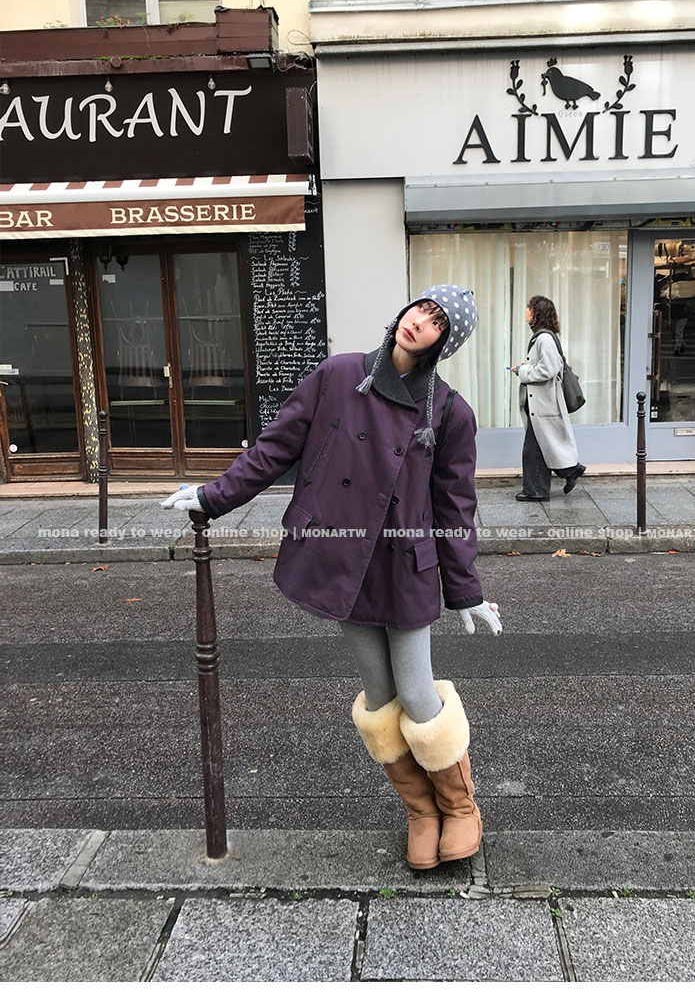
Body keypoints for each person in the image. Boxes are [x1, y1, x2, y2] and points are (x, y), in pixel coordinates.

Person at [162, 285, 502, 871]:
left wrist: (466, 589)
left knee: (417, 692)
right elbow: (275, 448)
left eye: (437, 322)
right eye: (420, 308)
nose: (420, 322)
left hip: (404, 562)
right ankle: (421, 812)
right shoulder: (339, 375)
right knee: (379, 695)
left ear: (444, 343)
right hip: (343, 559)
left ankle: (460, 807)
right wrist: (214, 496)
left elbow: (455, 505)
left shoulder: (449, 411)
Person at [510, 295, 586, 502]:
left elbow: (549, 368)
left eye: (529, 308)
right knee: (540, 445)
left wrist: (523, 371)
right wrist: (526, 368)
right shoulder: (542, 337)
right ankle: (568, 472)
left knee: (533, 448)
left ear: (537, 313)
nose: (526, 311)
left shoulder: (544, 338)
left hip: (543, 402)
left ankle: (538, 490)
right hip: (541, 401)